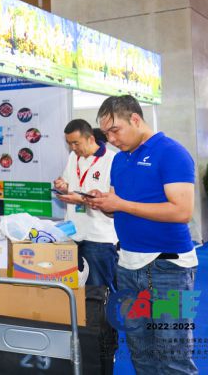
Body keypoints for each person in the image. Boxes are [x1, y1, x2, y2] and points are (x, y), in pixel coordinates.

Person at [89, 95, 198, 374]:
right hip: (127, 266)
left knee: (173, 356)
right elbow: (119, 208)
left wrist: (121, 204)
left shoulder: (171, 152)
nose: (111, 139)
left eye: (115, 130)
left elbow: (182, 211)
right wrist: (105, 204)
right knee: (140, 351)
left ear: (135, 119)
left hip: (168, 267)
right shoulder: (119, 160)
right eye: (106, 134)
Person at [54, 119, 118, 290]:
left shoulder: (112, 160)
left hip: (98, 237)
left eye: (76, 143)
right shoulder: (73, 157)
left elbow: (113, 200)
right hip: (72, 234)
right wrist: (63, 186)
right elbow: (70, 184)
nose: (73, 148)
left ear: (90, 139)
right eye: (69, 144)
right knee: (74, 289)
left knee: (98, 291)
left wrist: (81, 200)